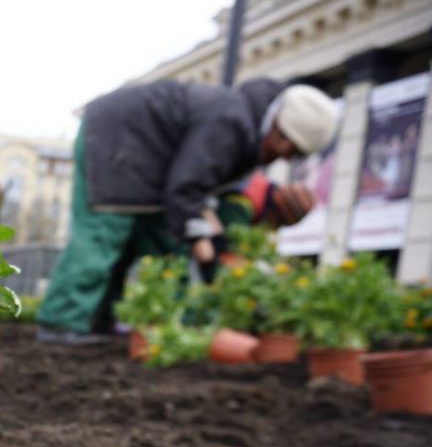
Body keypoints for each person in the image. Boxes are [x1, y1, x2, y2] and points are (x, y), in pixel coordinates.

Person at [37, 79, 339, 343]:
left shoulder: (245, 128)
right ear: (283, 132)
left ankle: (105, 321)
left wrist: (209, 240)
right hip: (118, 139)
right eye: (291, 150)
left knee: (159, 245)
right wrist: (205, 248)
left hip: (151, 165)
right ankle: (61, 322)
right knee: (103, 232)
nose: (285, 157)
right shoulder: (233, 121)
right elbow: (187, 186)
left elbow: (199, 188)